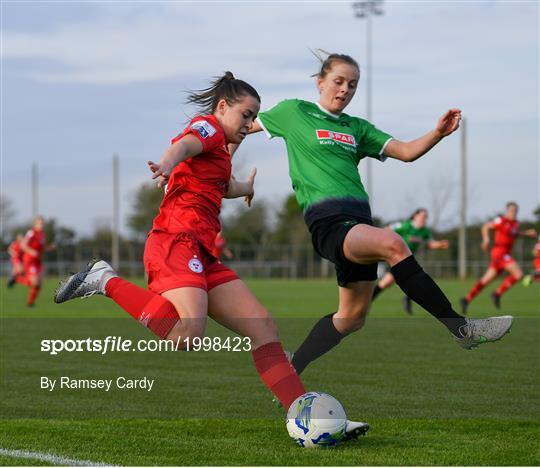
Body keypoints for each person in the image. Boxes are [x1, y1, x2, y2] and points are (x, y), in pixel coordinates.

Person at [53, 72, 367, 439]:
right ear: (223, 107)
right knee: (186, 333)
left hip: (201, 251)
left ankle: (304, 417)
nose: (250, 124)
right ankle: (103, 279)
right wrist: (168, 163)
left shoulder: (219, 153)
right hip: (174, 241)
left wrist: (244, 187)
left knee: (263, 328)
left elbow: (222, 185)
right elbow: (185, 145)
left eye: (254, 117)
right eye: (246, 115)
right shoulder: (208, 128)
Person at [241, 51, 512, 376]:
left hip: (357, 226)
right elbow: (238, 128)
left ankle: (291, 368)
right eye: (338, 81)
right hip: (329, 224)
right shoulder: (294, 111)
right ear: (320, 82)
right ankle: (461, 328)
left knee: (351, 319)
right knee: (394, 243)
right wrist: (227, 175)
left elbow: (407, 152)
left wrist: (437, 133)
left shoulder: (357, 127)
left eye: (352, 85)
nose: (345, 89)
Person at [461, 202, 537, 312]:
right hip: (500, 252)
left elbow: (515, 233)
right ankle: (497, 293)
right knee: (518, 274)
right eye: (511, 210)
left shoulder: (515, 224)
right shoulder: (501, 220)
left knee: (485, 281)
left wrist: (527, 233)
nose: (513, 213)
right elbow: (486, 226)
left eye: (515, 211)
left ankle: (467, 299)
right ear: (506, 211)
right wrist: (486, 239)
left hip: (504, 254)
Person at [371, 208, 449, 314]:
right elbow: (387, 229)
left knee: (411, 281)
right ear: (415, 216)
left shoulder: (424, 231)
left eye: (426, 217)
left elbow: (430, 243)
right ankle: (365, 304)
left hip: (407, 260)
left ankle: (406, 299)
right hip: (395, 258)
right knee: (387, 283)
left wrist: (440, 244)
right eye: (422, 216)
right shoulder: (406, 225)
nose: (424, 219)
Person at [18, 216, 55, 307]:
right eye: (40, 223)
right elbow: (23, 245)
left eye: (42, 223)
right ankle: (17, 279)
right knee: (34, 282)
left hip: (38, 261)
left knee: (39, 285)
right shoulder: (31, 232)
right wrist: (31, 251)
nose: (42, 225)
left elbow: (41, 249)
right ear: (35, 224)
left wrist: (50, 248)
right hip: (30, 260)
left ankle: (30, 303)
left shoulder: (42, 234)